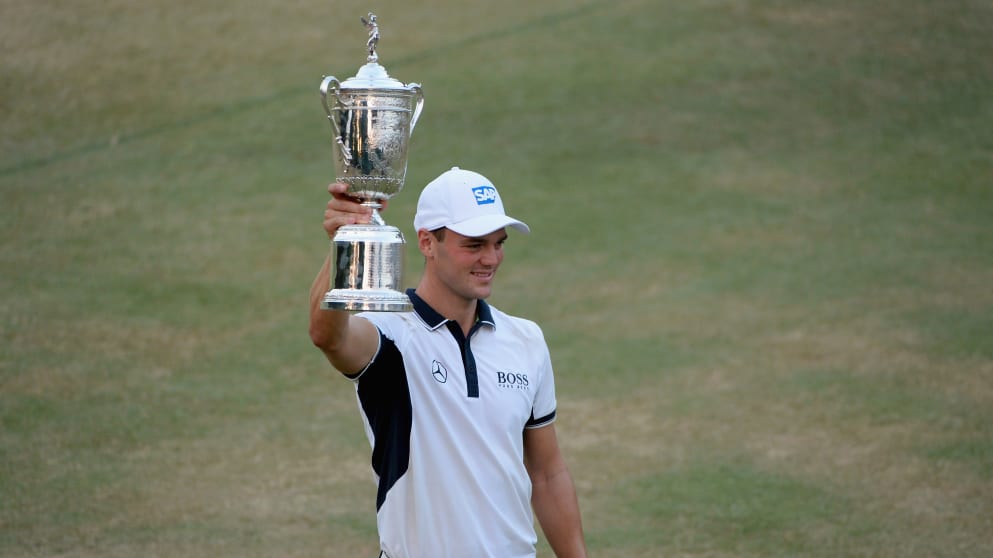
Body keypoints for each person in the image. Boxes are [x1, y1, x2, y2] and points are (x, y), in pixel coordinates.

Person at [309, 166, 588, 558]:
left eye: (499, 243)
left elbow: (546, 473)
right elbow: (327, 335)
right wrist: (345, 243)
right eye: (474, 245)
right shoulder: (389, 334)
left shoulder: (526, 340)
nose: (491, 258)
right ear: (427, 242)